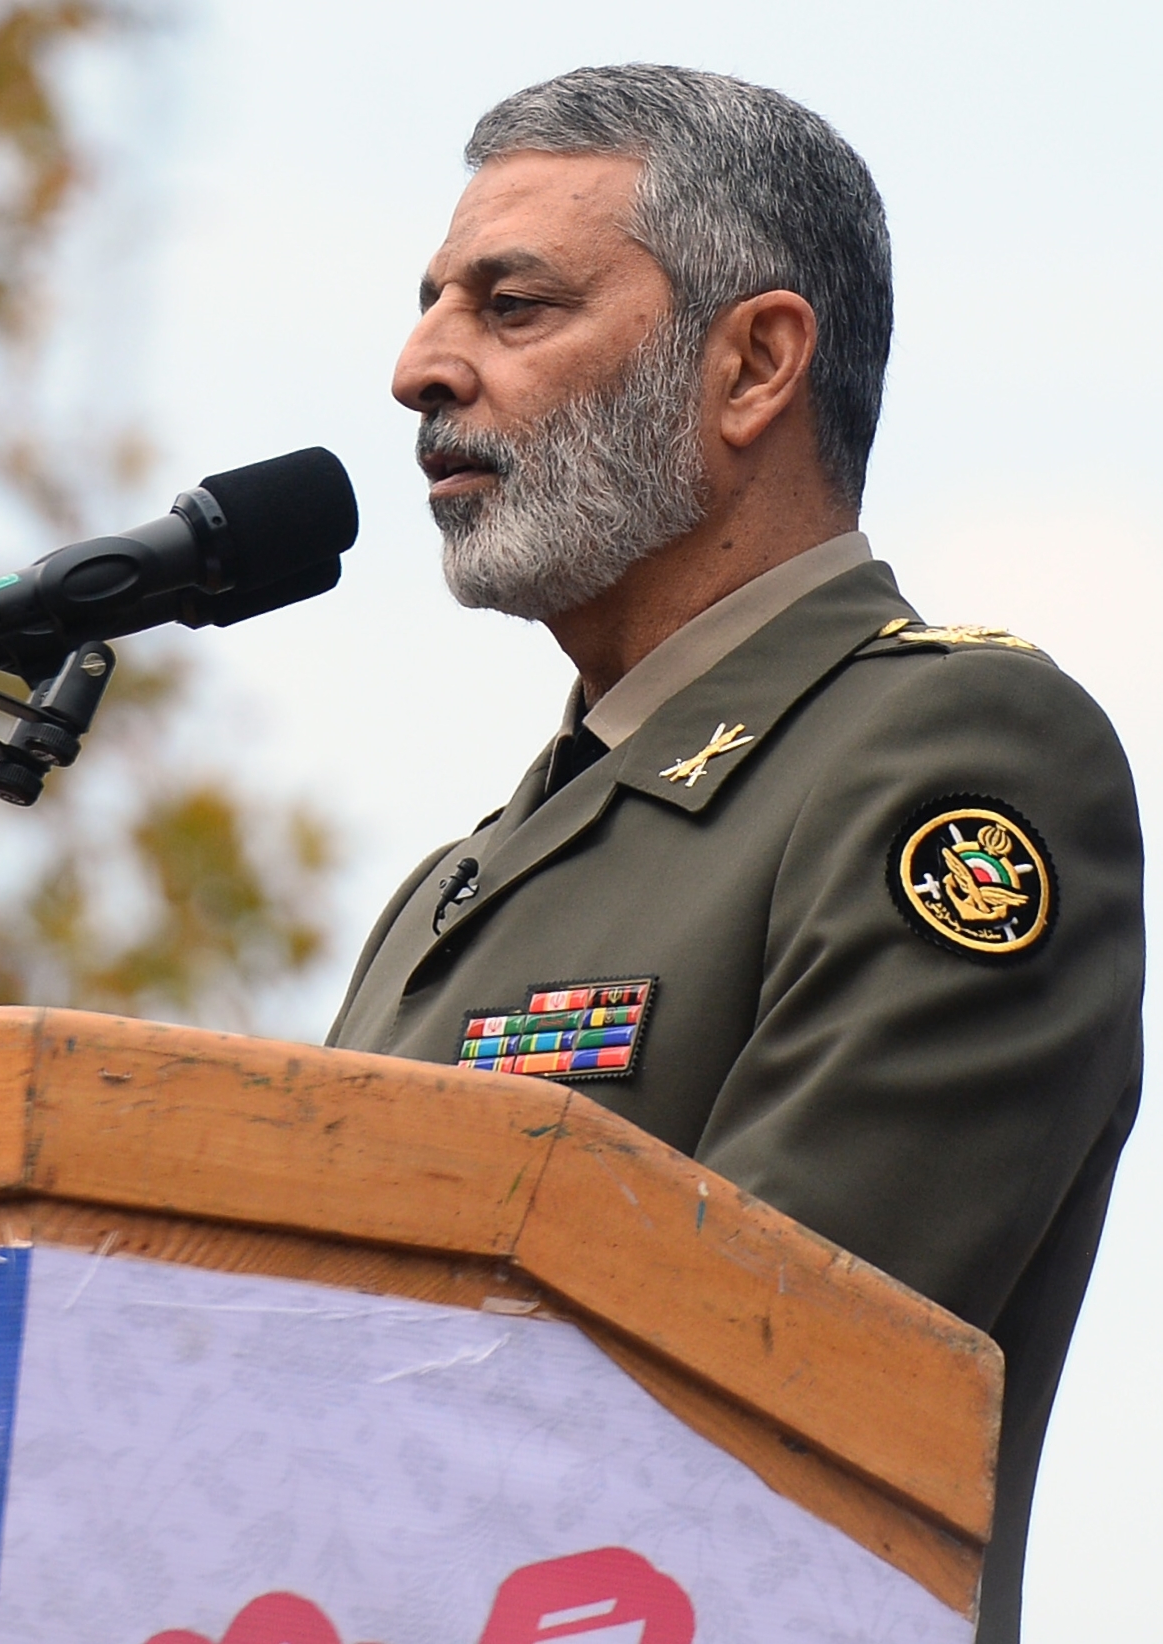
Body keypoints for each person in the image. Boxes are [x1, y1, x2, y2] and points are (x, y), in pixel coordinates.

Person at [327, 65, 1142, 1642]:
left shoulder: (943, 761)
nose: (419, 368)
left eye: (512, 305)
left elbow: (753, 1379)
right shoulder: (449, 891)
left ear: (753, 363)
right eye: (432, 304)